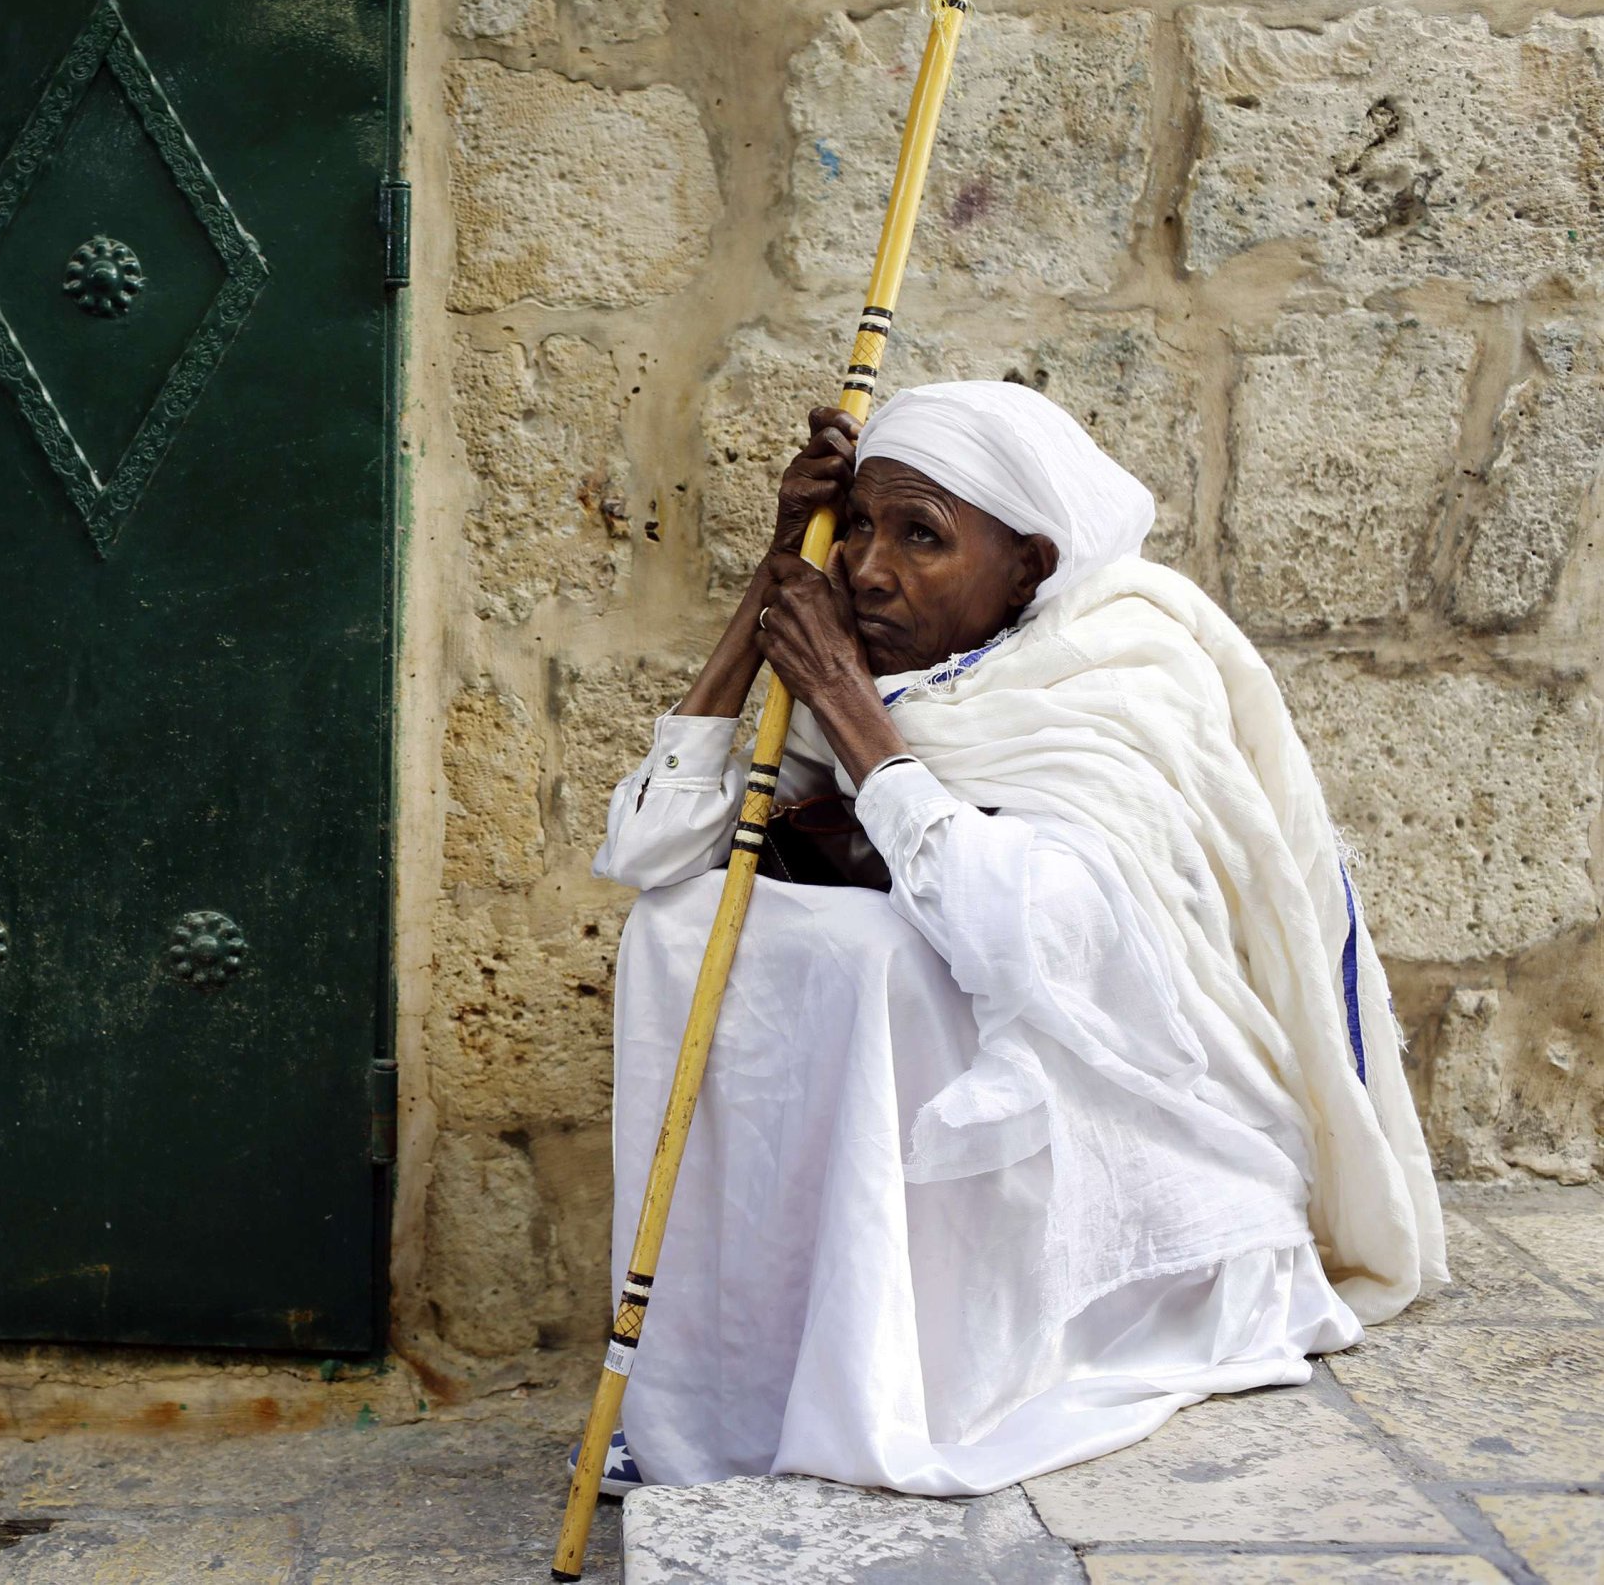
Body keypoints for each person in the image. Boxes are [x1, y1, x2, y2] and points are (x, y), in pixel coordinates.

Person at [585, 381, 1444, 1497]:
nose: (867, 568)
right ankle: (737, 1381)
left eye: (919, 537)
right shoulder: (907, 674)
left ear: (1028, 565)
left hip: (1123, 1122)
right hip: (967, 1117)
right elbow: (648, 847)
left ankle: (924, 1363)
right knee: (681, 924)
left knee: (877, 952)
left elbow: (1028, 934)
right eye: (853, 529)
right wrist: (765, 588)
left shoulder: (1116, 676)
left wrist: (847, 703)